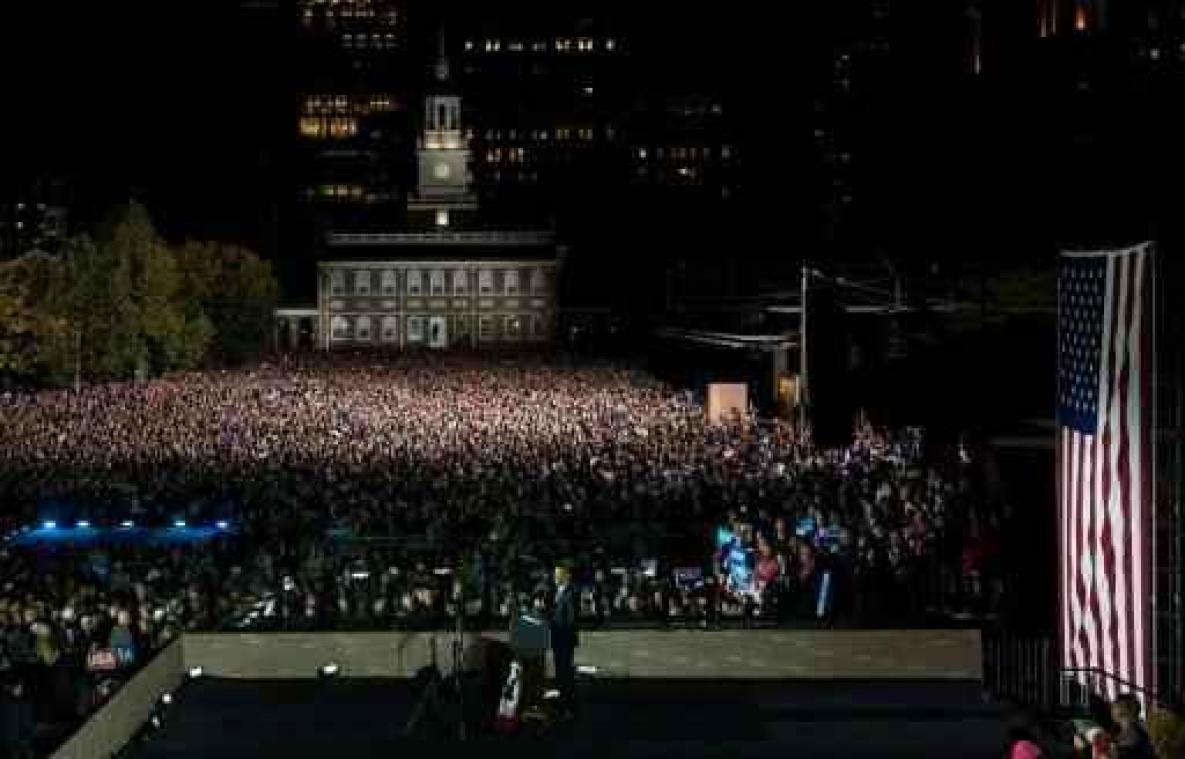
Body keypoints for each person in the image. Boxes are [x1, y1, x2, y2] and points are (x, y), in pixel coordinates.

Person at [549, 563, 579, 718]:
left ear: (566, 576)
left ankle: (568, 707)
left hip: (564, 640)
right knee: (560, 672)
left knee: (565, 673)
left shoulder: (570, 593)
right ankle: (562, 703)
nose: (554, 577)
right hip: (557, 638)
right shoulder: (558, 591)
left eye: (557, 574)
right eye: (554, 574)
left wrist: (563, 633)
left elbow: (571, 620)